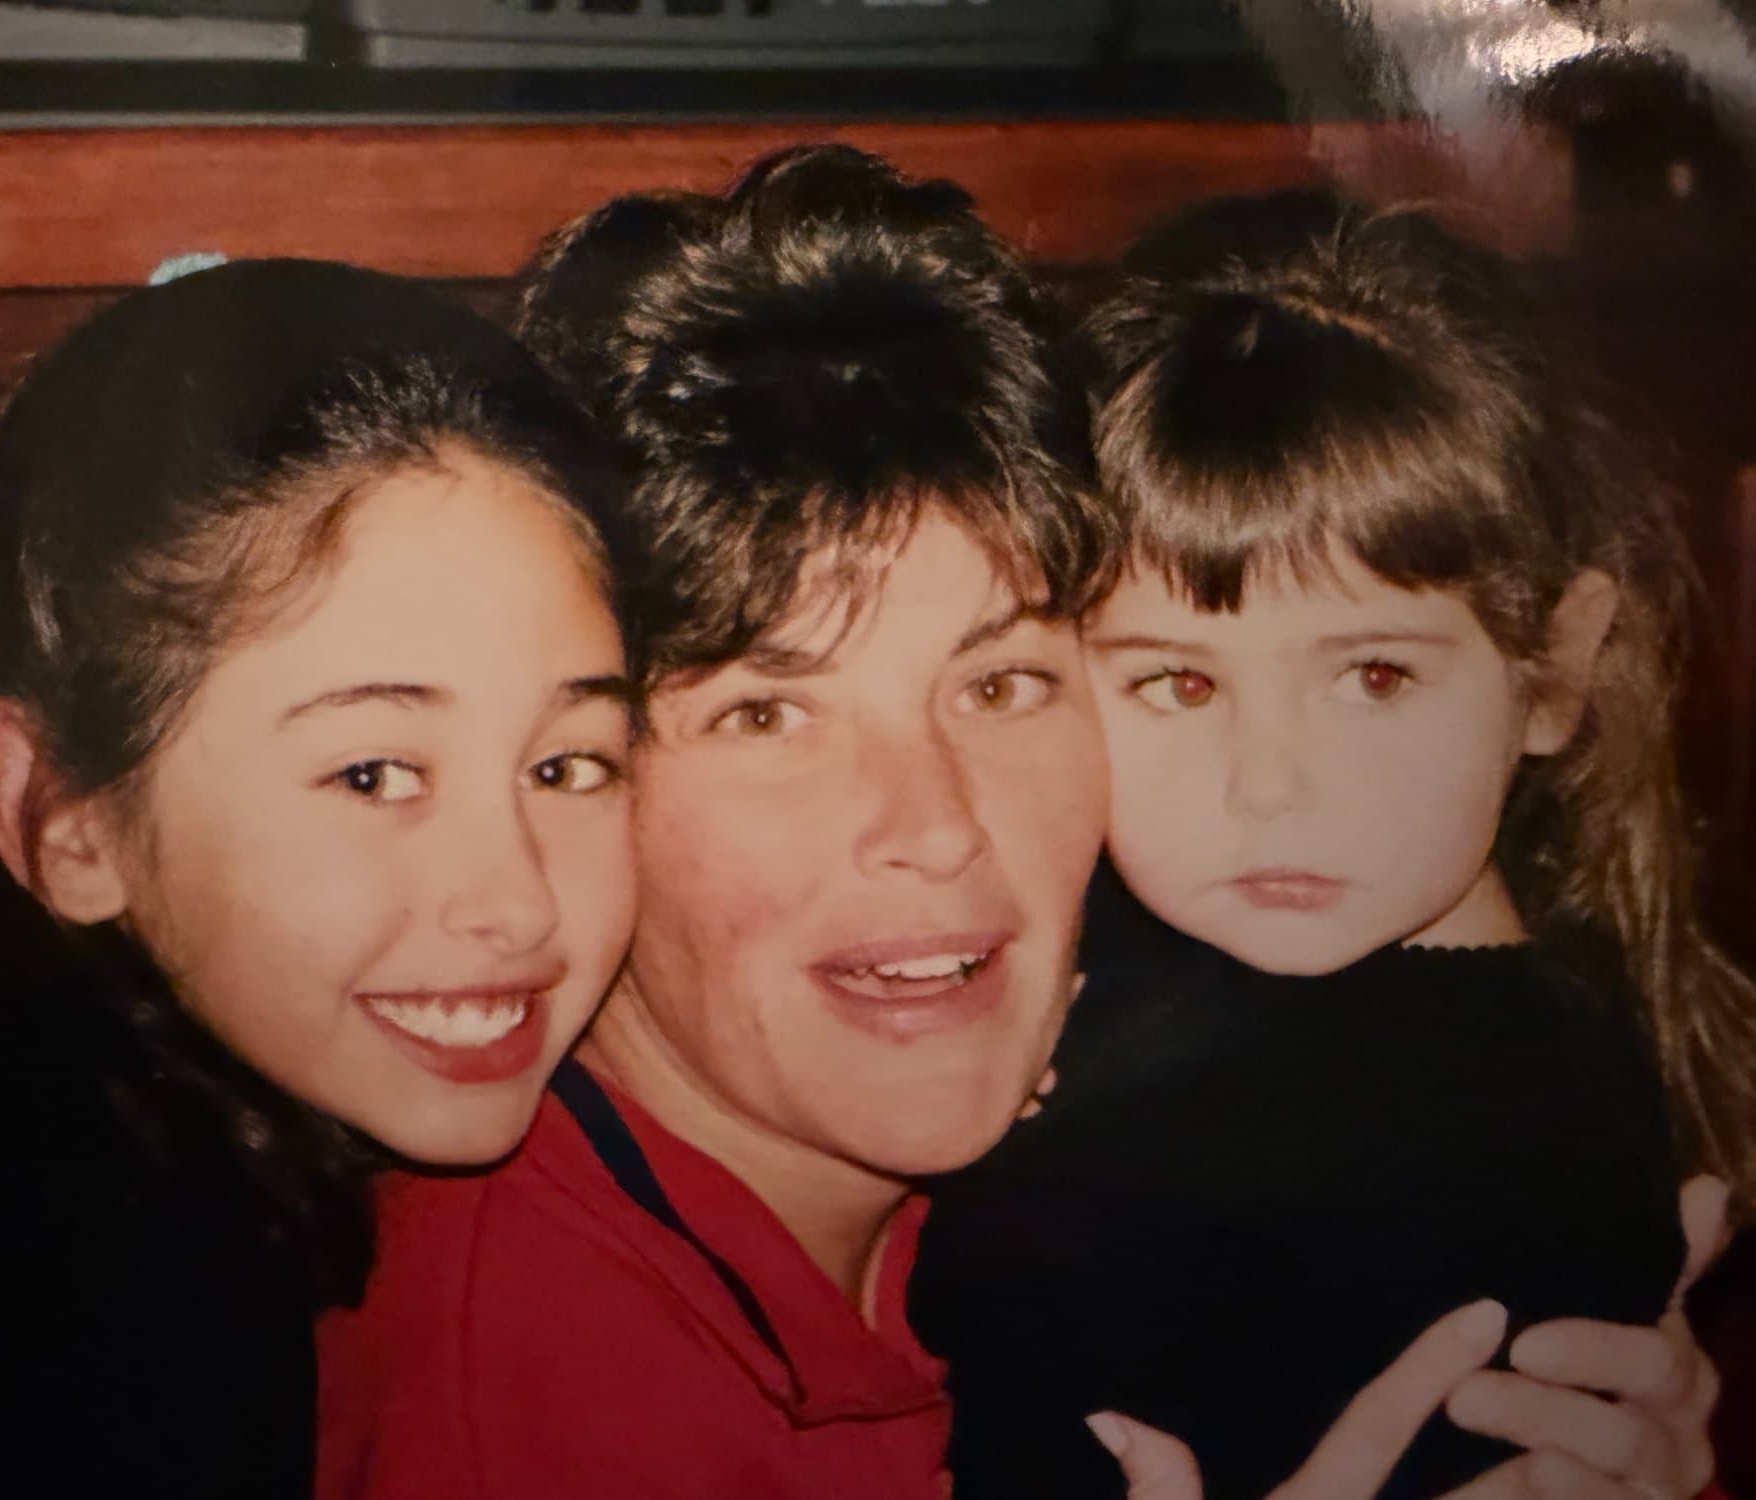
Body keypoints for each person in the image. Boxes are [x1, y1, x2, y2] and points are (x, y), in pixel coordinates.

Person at [316, 150, 1723, 1500]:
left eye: (1001, 682)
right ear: (579, 774)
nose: (932, 828)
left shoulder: (1155, 1106)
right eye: (767, 715)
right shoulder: (537, 1415)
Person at [912, 190, 1750, 1500]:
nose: (1271, 788)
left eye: (1373, 677)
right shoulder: (1190, 988)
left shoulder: (1491, 1142)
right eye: (1179, 685)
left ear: (1553, 674)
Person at [0, 259, 639, 1499]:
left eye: (567, 765)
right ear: (63, 818)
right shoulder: (55, 1286)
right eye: (375, 776)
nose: (518, 901)